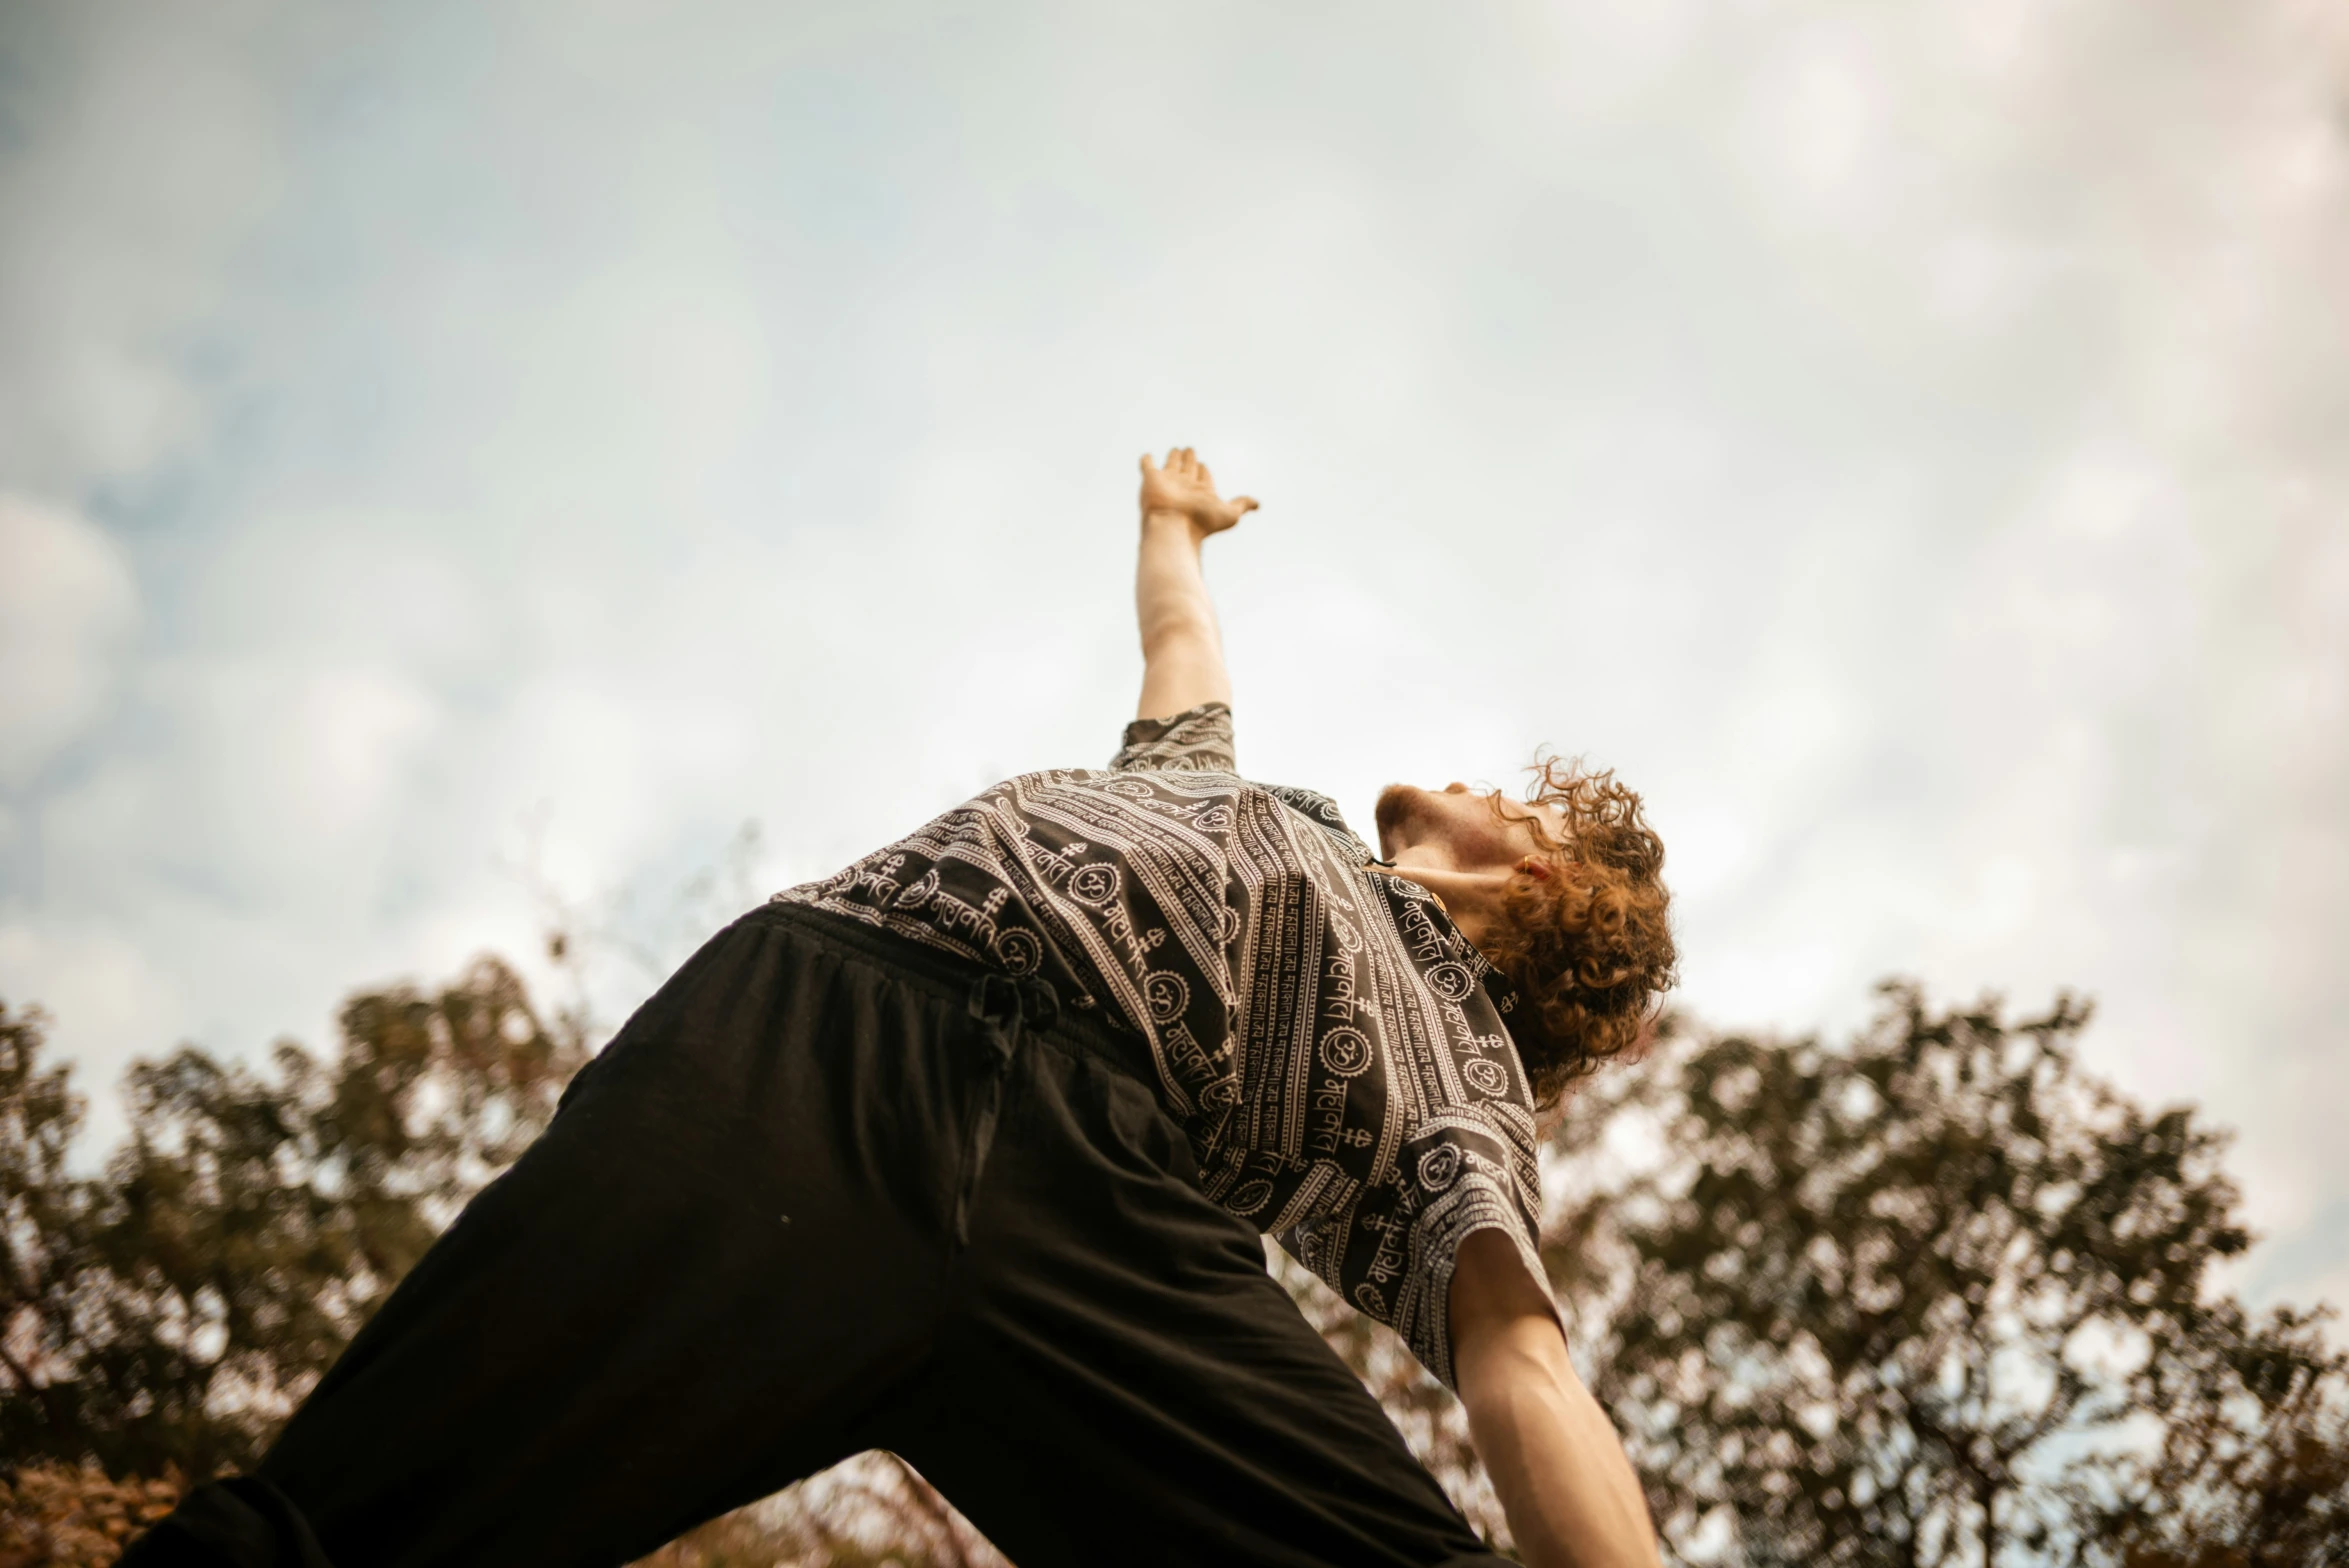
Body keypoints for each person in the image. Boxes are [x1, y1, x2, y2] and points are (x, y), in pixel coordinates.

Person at [124, 448, 1677, 1568]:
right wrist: (1173, 527)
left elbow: (1518, 1362)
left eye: (1513, 802)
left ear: (1548, 890)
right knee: (346, 1522)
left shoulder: (1459, 1074)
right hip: (824, 1042)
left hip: (1102, 1218)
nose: (1471, 782)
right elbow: (1179, 649)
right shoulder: (1245, 802)